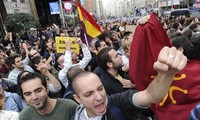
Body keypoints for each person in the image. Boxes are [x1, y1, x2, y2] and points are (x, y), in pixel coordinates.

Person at [71, 46, 187, 120]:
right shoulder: (74, 116)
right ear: (78, 99)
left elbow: (150, 95)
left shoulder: (117, 103)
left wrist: (167, 74)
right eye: (88, 94)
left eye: (100, 89)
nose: (98, 97)